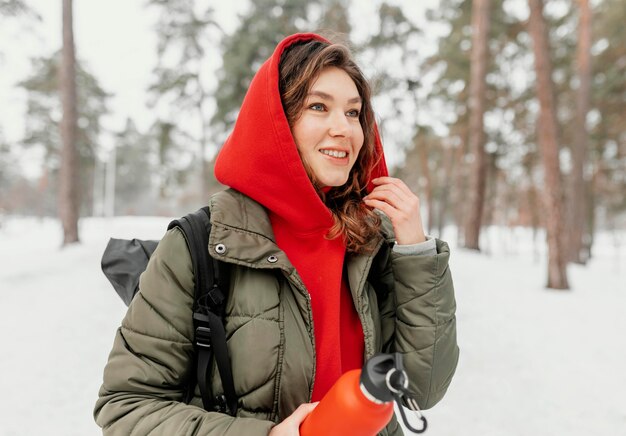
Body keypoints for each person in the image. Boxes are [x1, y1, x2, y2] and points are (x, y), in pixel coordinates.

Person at [94, 33, 459, 436]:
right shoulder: (198, 243)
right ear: (277, 122)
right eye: (319, 107)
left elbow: (420, 390)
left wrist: (417, 253)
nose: (344, 129)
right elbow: (125, 407)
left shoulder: (372, 239)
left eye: (354, 113)